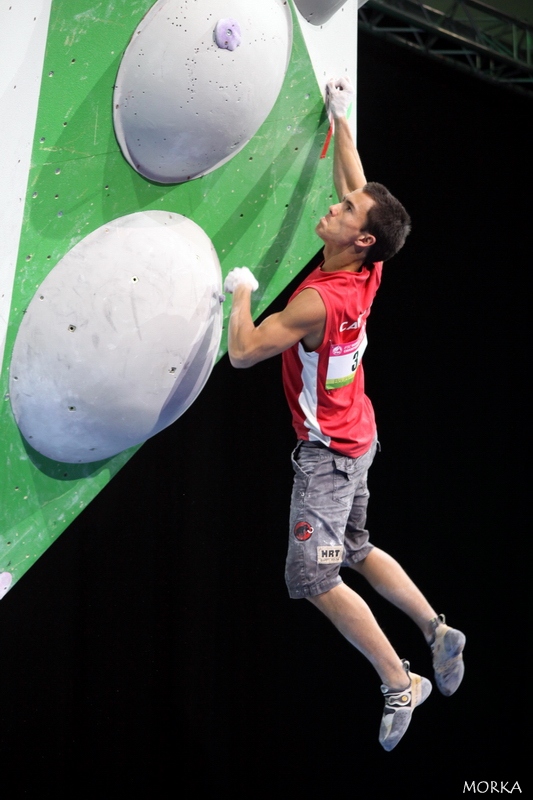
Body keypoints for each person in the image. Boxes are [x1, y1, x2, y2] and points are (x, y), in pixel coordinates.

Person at [223, 76, 465, 751]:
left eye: (345, 212)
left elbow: (242, 352)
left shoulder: (318, 301)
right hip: (361, 436)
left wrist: (240, 292)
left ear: (360, 240)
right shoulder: (369, 265)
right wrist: (341, 121)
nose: (334, 209)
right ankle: (436, 627)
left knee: (312, 576)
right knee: (354, 549)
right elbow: (357, 182)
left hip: (330, 456)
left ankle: (399, 680)